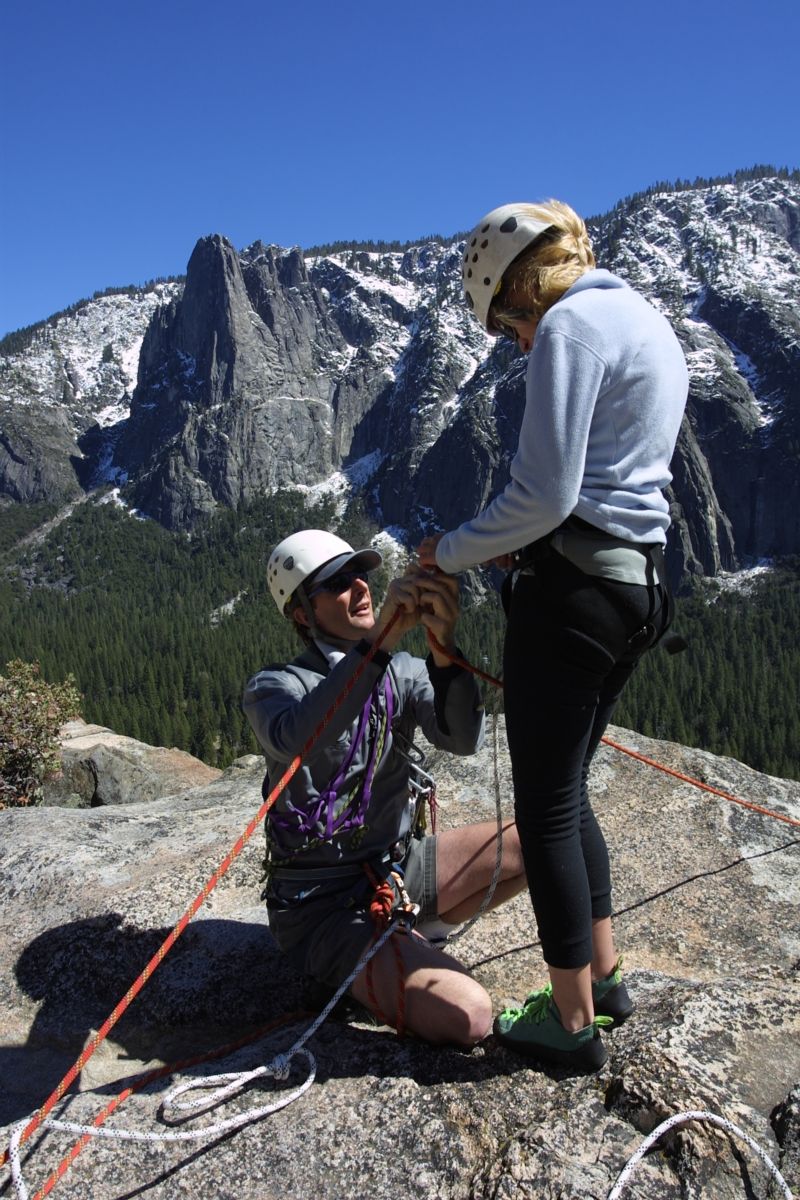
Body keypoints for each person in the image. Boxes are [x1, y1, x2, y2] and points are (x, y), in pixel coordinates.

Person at [417, 200, 689, 1071]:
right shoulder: (642, 317)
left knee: (543, 810)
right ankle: (602, 983)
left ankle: (570, 1026)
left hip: (573, 601)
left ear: (523, 285)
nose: (515, 338)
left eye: (507, 319)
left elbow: (545, 496)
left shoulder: (572, 327)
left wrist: (451, 553)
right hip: (636, 586)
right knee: (567, 791)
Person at [243, 529, 527, 1046]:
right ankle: (364, 960)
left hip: (397, 869)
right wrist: (378, 647)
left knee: (538, 844)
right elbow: (301, 736)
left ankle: (409, 937)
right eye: (338, 582)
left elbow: (461, 739)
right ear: (303, 614)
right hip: (320, 906)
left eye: (361, 574)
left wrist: (442, 649)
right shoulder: (275, 687)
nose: (360, 588)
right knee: (470, 1015)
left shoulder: (401, 670)